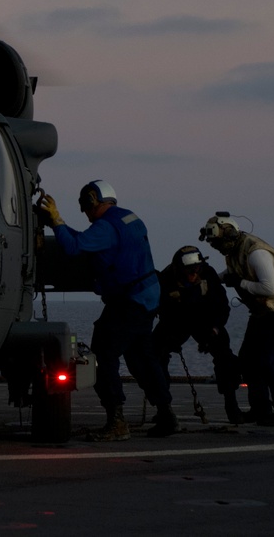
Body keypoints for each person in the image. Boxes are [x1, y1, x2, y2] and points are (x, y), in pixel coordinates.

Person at [39, 180, 178, 439]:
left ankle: (117, 422)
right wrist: (55, 225)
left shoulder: (105, 227)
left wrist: (57, 220)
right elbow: (85, 240)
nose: (84, 212)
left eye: (85, 205)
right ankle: (166, 413)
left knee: (103, 356)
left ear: (93, 200)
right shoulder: (128, 218)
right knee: (142, 358)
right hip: (147, 299)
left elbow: (73, 247)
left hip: (128, 301)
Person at [199, 212, 274, 426]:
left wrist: (241, 283)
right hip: (261, 311)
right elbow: (234, 270)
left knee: (266, 361)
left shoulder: (256, 253)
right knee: (247, 359)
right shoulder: (236, 251)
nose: (216, 247)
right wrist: (215, 281)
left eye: (217, 242)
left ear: (228, 234)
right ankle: (260, 409)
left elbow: (269, 288)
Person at [154, 245, 245, 424]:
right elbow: (161, 308)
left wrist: (215, 329)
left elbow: (222, 305)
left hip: (205, 320)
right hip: (176, 320)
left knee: (225, 357)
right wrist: (171, 335)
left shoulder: (208, 274)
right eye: (189, 272)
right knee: (155, 354)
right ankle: (163, 407)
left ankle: (232, 406)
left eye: (196, 271)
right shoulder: (165, 278)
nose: (193, 275)